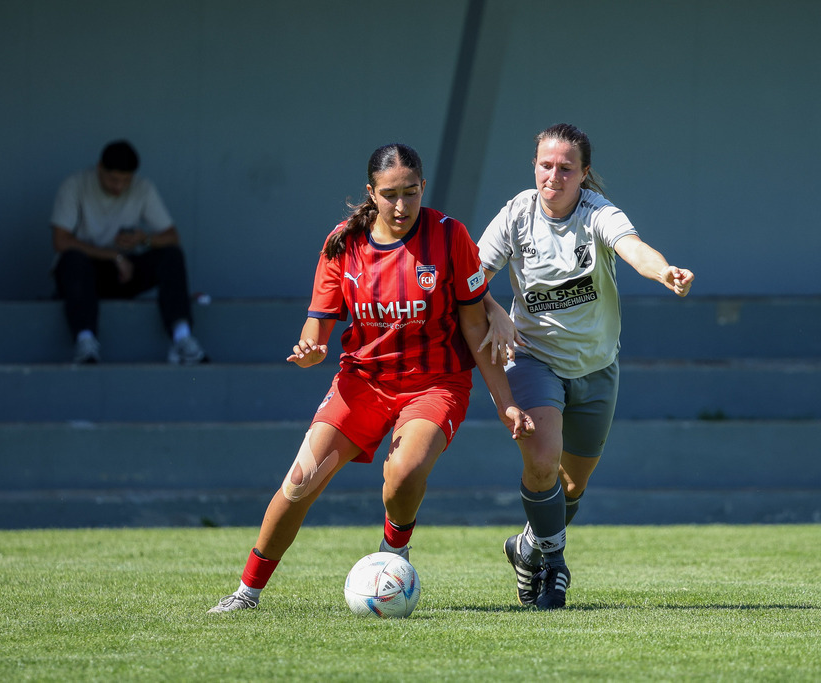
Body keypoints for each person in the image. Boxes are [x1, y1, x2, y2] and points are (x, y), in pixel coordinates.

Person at [208, 143, 535, 613]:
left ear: (423, 187)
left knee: (404, 474)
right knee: (299, 483)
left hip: (435, 382)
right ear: (371, 193)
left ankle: (394, 551)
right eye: (389, 195)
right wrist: (310, 349)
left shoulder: (449, 236)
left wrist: (505, 401)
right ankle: (247, 592)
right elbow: (317, 323)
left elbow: (474, 324)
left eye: (410, 192)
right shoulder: (344, 242)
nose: (401, 206)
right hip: (362, 382)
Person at [477, 123, 695, 610]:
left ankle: (528, 547)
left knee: (571, 487)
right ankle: (554, 568)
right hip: (534, 359)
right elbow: (471, 277)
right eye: (545, 165)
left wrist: (664, 271)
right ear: (534, 166)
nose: (553, 176)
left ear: (584, 174)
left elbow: (632, 248)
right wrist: (494, 310)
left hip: (597, 368)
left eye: (565, 168)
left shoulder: (598, 213)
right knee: (541, 460)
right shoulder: (515, 215)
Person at [50, 139, 206, 365]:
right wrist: (114, 256)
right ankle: (85, 342)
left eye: (126, 180)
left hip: (125, 274)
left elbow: (173, 236)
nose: (119, 187)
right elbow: (60, 241)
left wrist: (145, 239)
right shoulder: (74, 185)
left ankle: (182, 338)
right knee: (72, 260)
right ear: (100, 168)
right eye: (113, 179)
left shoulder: (143, 188)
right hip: (83, 278)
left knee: (171, 254)